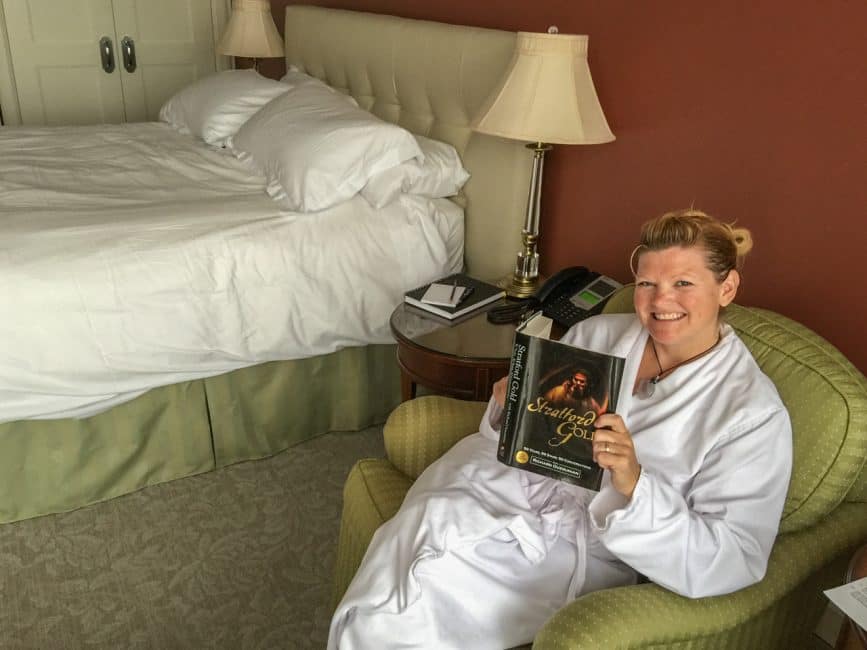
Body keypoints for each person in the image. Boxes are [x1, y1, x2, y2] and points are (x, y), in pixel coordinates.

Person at [328, 208, 793, 650]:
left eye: (683, 283)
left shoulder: (751, 415)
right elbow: (518, 435)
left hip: (578, 543)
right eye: (647, 283)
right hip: (499, 481)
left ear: (727, 288)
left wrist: (634, 484)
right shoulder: (599, 335)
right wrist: (511, 407)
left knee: (416, 600)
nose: (659, 301)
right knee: (416, 537)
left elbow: (733, 557)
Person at [542, 368, 608, 415]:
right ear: (572, 379)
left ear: (587, 384)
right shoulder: (557, 391)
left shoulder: (591, 403)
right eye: (576, 380)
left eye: (582, 381)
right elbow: (543, 405)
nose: (578, 383)